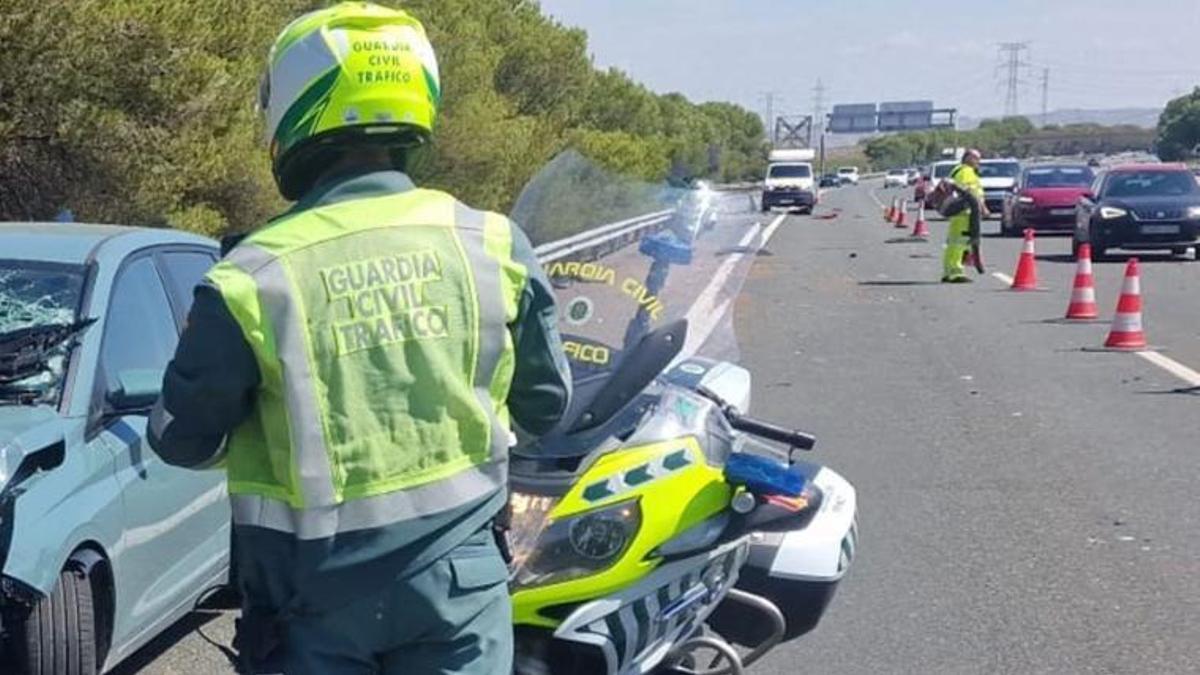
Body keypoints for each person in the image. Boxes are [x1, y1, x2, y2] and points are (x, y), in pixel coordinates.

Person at [147, 4, 572, 673]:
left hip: (312, 600)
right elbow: (547, 406)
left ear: (293, 108)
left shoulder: (252, 274)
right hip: (459, 593)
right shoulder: (491, 243)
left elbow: (180, 438)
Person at [942, 148, 987, 283]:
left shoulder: (958, 170)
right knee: (959, 243)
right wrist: (983, 208)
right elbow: (970, 192)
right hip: (965, 213)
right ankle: (955, 273)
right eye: (976, 158)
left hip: (960, 213)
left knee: (954, 243)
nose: (978, 162)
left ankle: (948, 271)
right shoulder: (966, 172)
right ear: (968, 158)